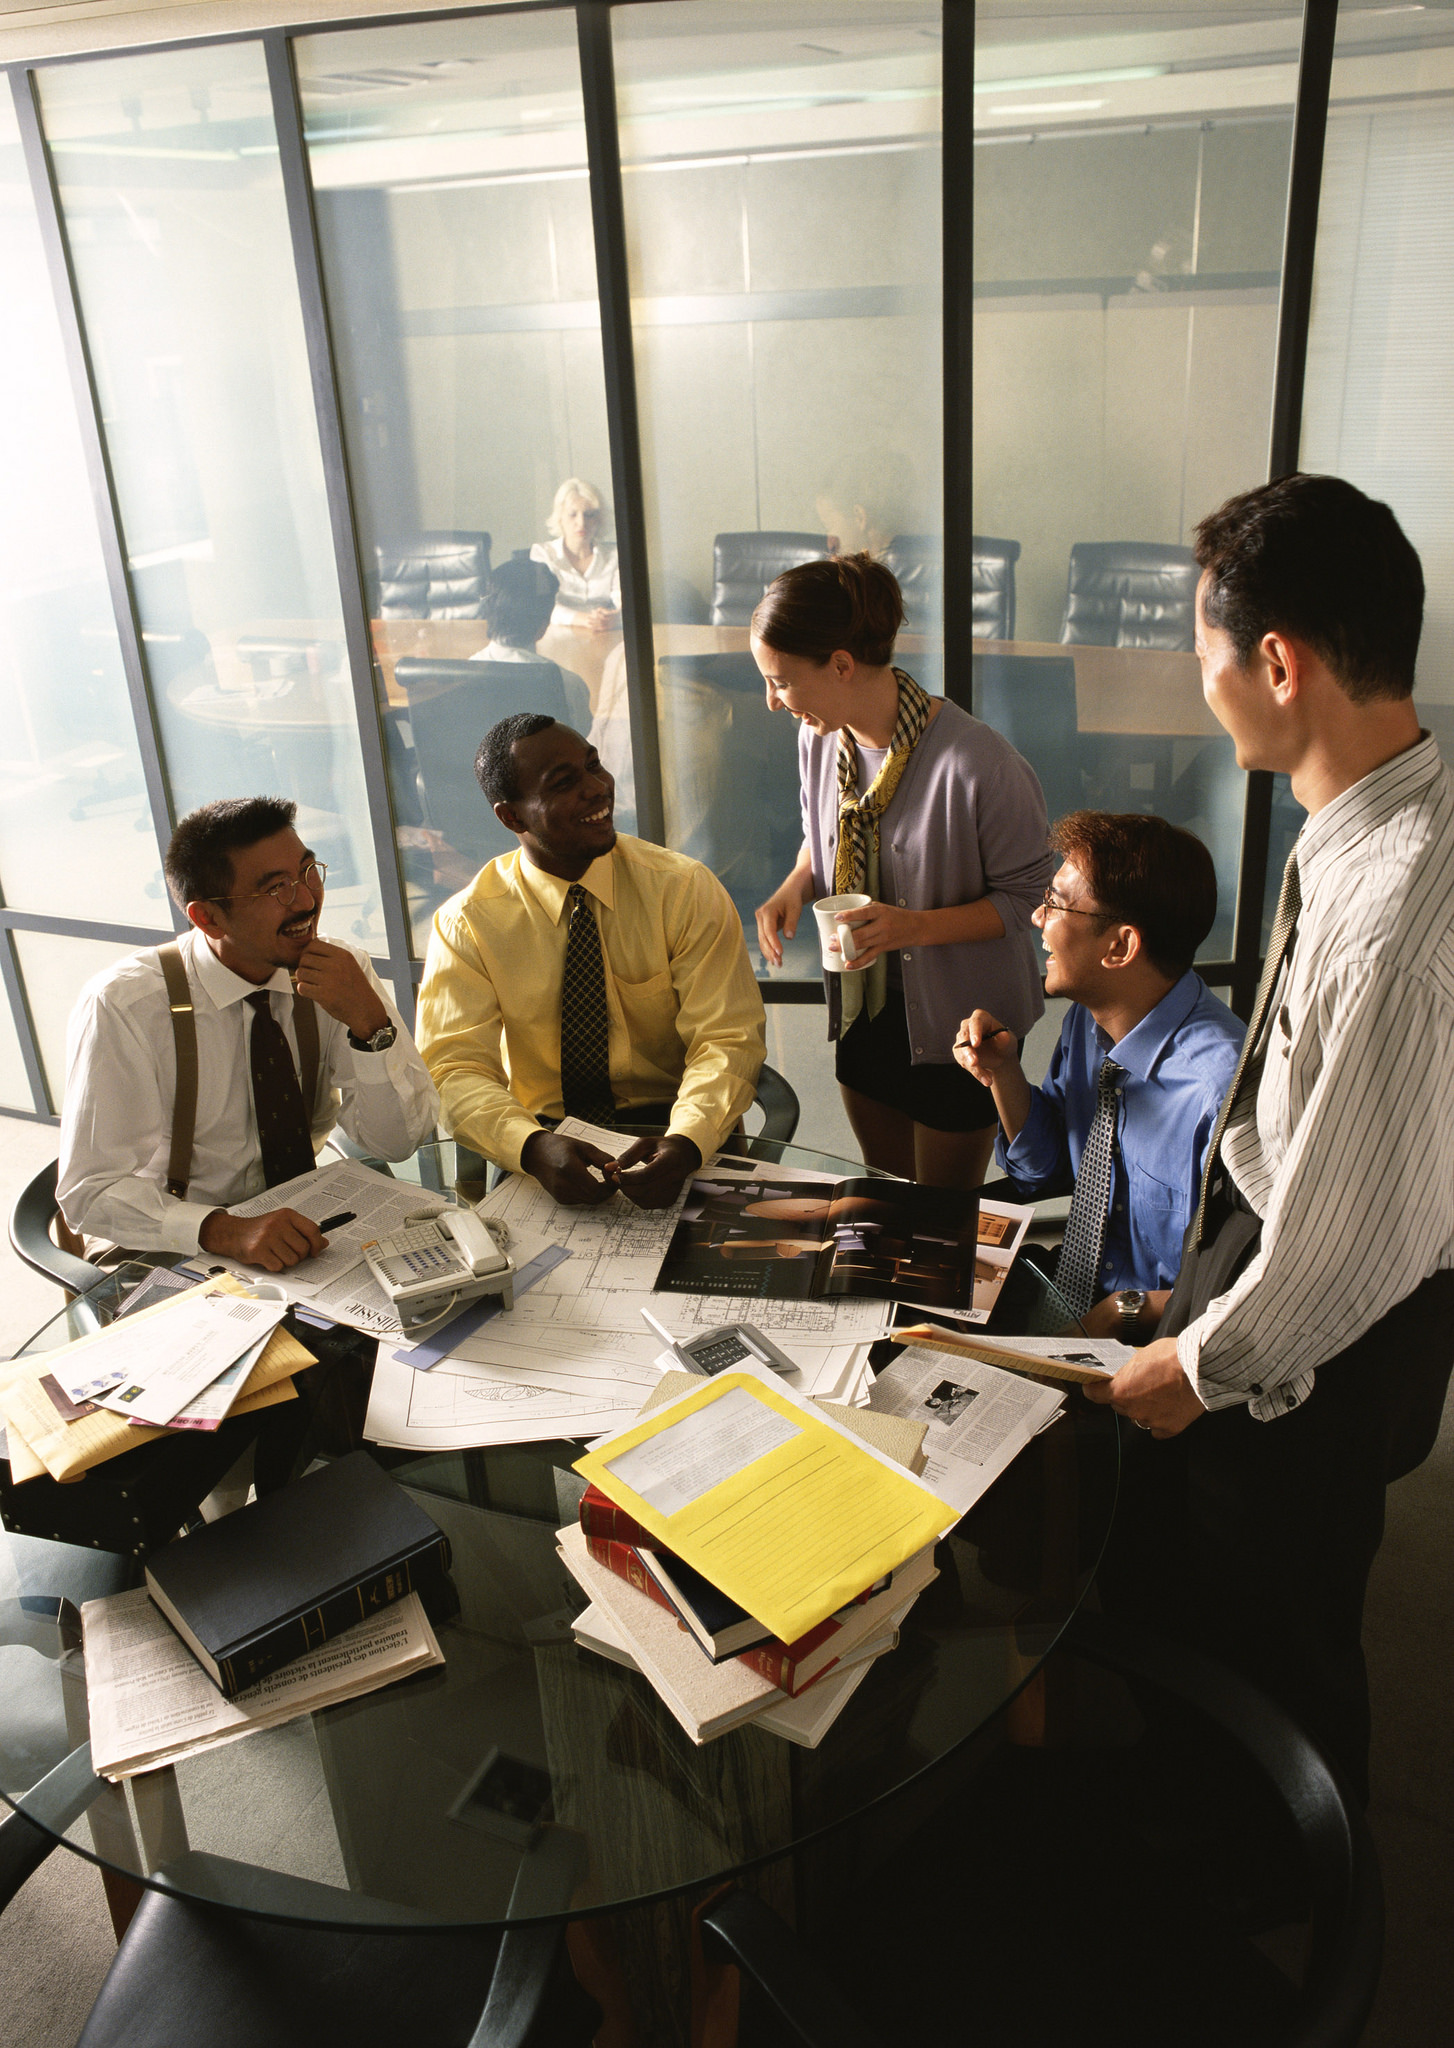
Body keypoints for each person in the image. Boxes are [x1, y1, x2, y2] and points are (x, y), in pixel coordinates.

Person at [1084, 472, 1454, 1800]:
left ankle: (1272, 1877)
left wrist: (1199, 1359)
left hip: (1317, 1338)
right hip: (1277, 1270)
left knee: (1279, 1623)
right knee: (1209, 1588)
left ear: (1277, 663)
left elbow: (1345, 1244)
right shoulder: (1381, 815)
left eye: (1203, 653)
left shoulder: (1391, 921)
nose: (1200, 680)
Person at [753, 553, 1052, 1187]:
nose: (773, 702)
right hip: (864, 1009)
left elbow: (1030, 900)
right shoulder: (819, 737)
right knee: (882, 1200)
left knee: (941, 1223)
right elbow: (820, 836)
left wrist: (907, 928)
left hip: (961, 1026)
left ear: (840, 664)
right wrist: (793, 885)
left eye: (781, 681)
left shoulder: (978, 763)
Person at [58, 797, 438, 1271]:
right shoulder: (125, 1007)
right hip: (171, 1244)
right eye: (276, 888)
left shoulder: (342, 972)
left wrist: (371, 1026)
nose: (305, 900)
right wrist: (223, 1230)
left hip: (301, 1223)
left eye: (307, 872)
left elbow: (397, 1144)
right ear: (207, 918)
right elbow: (88, 1194)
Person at [415, 713, 765, 1210]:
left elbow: (726, 1037)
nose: (598, 789)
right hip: (544, 1136)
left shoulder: (683, 889)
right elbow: (453, 1069)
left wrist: (688, 1141)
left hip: (678, 1125)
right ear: (511, 817)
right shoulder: (467, 923)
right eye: (564, 783)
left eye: (594, 766)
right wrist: (532, 1147)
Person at [954, 811, 1243, 1336]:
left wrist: (1120, 1313)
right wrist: (1004, 1074)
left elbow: (1251, 1287)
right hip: (1075, 1287)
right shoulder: (1089, 1023)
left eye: (1056, 904)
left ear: (1121, 947)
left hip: (1159, 1341)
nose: (1037, 919)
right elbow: (1043, 1172)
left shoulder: (1221, 1092)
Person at [531, 478, 620, 632]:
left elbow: (625, 602)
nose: (581, 522)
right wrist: (585, 620)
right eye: (573, 514)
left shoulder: (615, 555)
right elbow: (540, 606)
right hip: (556, 635)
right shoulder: (543, 553)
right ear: (560, 518)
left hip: (604, 633)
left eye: (589, 515)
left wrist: (614, 618)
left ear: (598, 519)